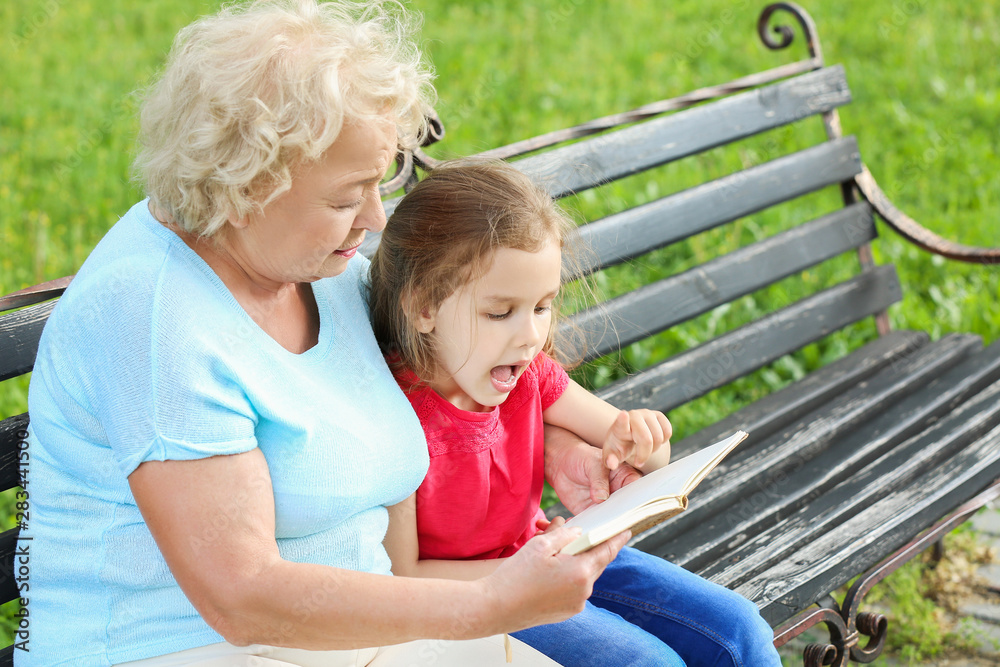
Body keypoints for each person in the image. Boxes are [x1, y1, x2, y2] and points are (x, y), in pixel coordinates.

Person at [21, 2, 632, 666]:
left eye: (380, 182)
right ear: (245, 186)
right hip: (184, 649)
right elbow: (243, 596)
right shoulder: (151, 315)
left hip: (353, 635)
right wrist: (486, 606)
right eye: (346, 197)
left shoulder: (323, 271)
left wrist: (558, 447)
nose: (373, 218)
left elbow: (444, 374)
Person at [369, 160, 783, 667]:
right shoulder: (395, 415)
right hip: (483, 599)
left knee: (740, 630)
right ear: (424, 307)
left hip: (556, 552)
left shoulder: (529, 375)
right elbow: (403, 575)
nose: (530, 335)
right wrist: (523, 574)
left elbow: (652, 462)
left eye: (542, 307)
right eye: (500, 312)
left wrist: (640, 438)